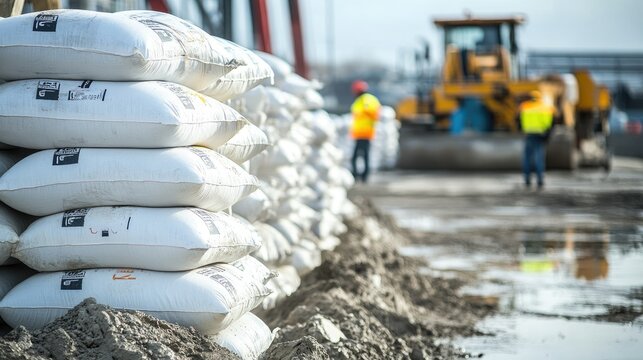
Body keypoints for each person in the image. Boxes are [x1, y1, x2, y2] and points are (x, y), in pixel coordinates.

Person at [519, 90, 554, 189]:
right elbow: (549, 123)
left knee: (527, 158)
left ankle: (527, 179)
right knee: (539, 157)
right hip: (540, 134)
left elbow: (519, 120)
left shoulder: (525, 106)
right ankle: (540, 180)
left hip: (529, 134)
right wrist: (548, 135)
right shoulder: (545, 108)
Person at [350, 80, 381, 183]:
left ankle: (362, 176)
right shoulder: (360, 100)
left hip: (365, 133)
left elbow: (372, 113)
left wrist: (363, 112)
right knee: (360, 156)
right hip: (360, 133)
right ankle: (359, 176)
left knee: (360, 156)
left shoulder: (366, 99)